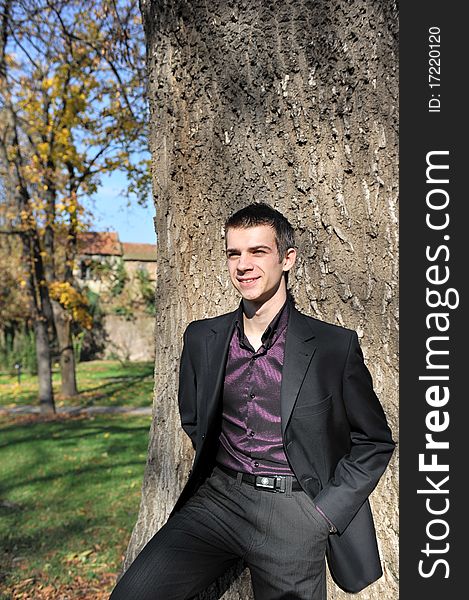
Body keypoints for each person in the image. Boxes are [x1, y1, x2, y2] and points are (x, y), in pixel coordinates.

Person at [110, 203, 395, 600]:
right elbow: (195, 419)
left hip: (295, 512)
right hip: (219, 500)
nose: (243, 264)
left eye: (258, 251)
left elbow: (375, 441)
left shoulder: (333, 347)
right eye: (234, 253)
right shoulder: (202, 338)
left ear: (287, 258)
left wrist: (323, 515)